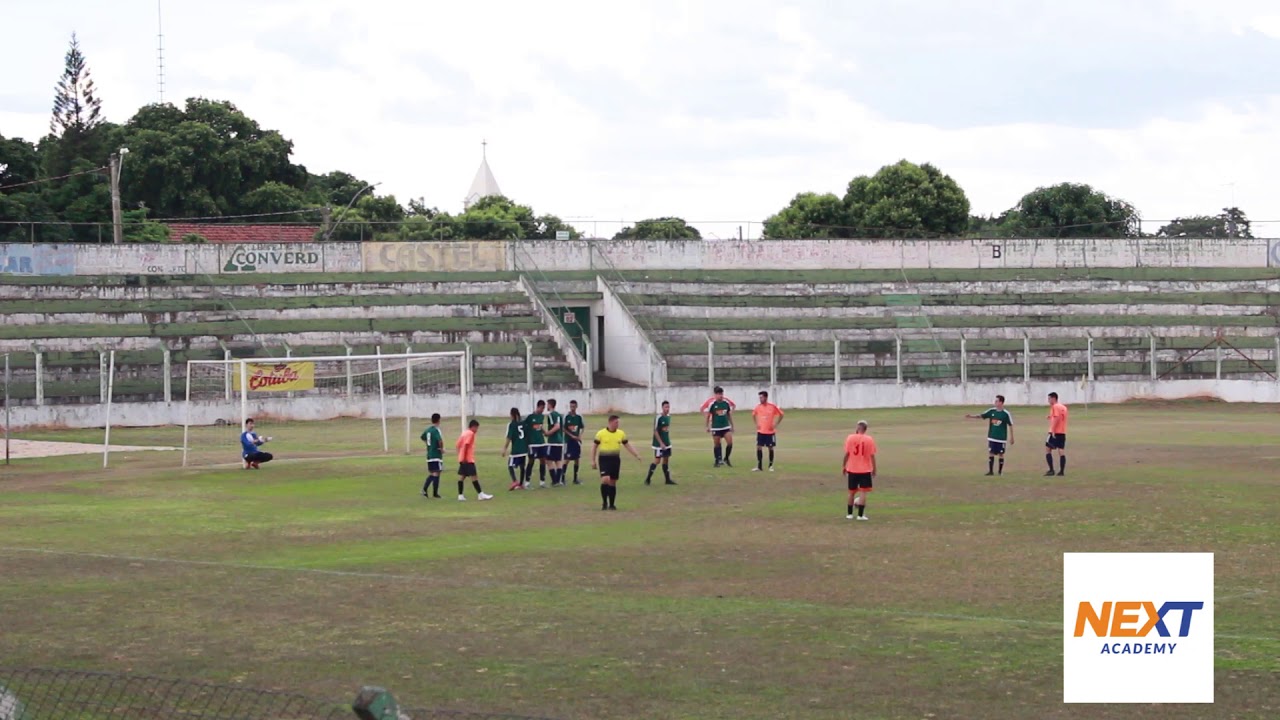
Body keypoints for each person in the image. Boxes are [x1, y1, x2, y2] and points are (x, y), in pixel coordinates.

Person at [592, 414, 642, 511]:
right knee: (605, 479)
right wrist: (593, 460)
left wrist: (636, 455)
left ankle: (612, 504)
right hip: (604, 459)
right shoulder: (601, 433)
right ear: (610, 422)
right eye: (616, 422)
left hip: (615, 459)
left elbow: (627, 445)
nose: (617, 424)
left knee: (613, 482)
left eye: (618, 422)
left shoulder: (621, 433)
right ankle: (604, 502)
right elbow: (594, 447)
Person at [965, 395, 1014, 476]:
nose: (995, 402)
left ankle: (1000, 471)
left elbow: (1010, 425)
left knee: (1001, 454)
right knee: (991, 453)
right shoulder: (991, 411)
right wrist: (971, 416)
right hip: (992, 437)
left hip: (1001, 438)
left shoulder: (1006, 414)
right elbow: (981, 416)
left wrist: (1012, 437)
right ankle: (991, 471)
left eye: (997, 401)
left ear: (1001, 402)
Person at [843, 420, 878, 521]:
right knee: (863, 492)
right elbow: (872, 456)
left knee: (851, 492)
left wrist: (844, 466)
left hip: (852, 469)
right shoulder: (869, 439)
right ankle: (860, 515)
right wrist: (874, 468)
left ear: (857, 428)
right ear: (865, 429)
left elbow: (847, 454)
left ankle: (849, 514)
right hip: (865, 470)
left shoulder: (850, 438)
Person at [456, 419, 493, 501]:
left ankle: (460, 495)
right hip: (468, 459)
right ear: (473, 427)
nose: (476, 430)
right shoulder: (470, 433)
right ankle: (480, 494)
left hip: (462, 459)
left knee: (462, 477)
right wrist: (465, 457)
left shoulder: (464, 433)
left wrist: (460, 456)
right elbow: (466, 445)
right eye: (476, 428)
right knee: (474, 477)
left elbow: (457, 445)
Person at [701, 386, 736, 467]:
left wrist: (732, 425)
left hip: (725, 426)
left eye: (721, 394)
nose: (721, 396)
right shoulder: (712, 404)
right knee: (717, 444)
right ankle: (717, 460)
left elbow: (729, 414)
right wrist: (707, 426)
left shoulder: (726, 403)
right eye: (719, 394)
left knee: (730, 443)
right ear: (715, 395)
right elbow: (708, 416)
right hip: (716, 427)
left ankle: (726, 458)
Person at [751, 390, 784, 472]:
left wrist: (776, 424)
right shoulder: (758, 407)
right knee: (759, 447)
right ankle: (759, 466)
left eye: (761, 397)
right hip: (761, 431)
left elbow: (781, 414)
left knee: (770, 448)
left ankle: (770, 466)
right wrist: (757, 424)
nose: (760, 399)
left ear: (766, 397)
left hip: (770, 432)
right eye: (759, 398)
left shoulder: (772, 407)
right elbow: (753, 414)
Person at [646, 400, 677, 486]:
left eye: (668, 407)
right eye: (666, 407)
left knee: (666, 460)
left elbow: (666, 430)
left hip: (667, 443)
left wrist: (666, 442)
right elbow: (655, 431)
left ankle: (667, 480)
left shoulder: (669, 417)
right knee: (657, 460)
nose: (667, 409)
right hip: (659, 444)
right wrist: (661, 443)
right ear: (662, 408)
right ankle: (648, 479)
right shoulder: (658, 417)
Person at [501, 408, 529, 491]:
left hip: (516, 449)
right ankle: (521, 484)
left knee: (510, 465)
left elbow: (509, 438)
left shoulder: (512, 425)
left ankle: (515, 481)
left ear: (512, 415)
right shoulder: (523, 423)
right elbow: (527, 435)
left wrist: (504, 448)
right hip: (524, 449)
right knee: (522, 466)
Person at [419, 413, 445, 497]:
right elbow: (440, 441)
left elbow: (422, 437)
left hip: (429, 454)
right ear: (439, 420)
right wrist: (441, 449)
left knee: (434, 473)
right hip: (436, 455)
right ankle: (427, 490)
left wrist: (428, 444)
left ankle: (434, 493)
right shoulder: (436, 430)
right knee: (436, 473)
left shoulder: (428, 430)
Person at [524, 399, 548, 488]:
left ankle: (542, 482)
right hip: (532, 443)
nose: (542, 410)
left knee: (543, 460)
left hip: (541, 442)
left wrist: (545, 432)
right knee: (531, 461)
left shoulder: (542, 417)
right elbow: (525, 428)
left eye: (543, 408)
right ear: (538, 407)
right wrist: (526, 442)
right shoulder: (530, 417)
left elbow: (540, 427)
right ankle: (527, 482)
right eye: (541, 408)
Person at [1045, 391, 1069, 477]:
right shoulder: (1063, 407)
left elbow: (1057, 418)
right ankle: (1061, 471)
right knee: (1061, 450)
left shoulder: (1055, 407)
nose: (1048, 400)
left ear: (1053, 398)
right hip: (1062, 431)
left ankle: (1051, 470)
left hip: (1054, 432)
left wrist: (1053, 430)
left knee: (1048, 449)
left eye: (1049, 398)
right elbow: (1061, 417)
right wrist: (1050, 416)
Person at [545, 398, 566, 487]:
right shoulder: (559, 415)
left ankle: (555, 480)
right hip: (560, 441)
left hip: (553, 441)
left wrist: (548, 433)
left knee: (548, 460)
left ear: (550, 405)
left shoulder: (551, 415)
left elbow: (557, 426)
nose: (546, 406)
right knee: (558, 461)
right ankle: (558, 481)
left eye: (547, 404)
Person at [564, 400, 585, 485]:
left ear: (576, 407)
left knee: (577, 459)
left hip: (576, 441)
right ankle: (562, 478)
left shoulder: (579, 417)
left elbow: (582, 427)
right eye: (571, 406)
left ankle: (575, 478)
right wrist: (571, 435)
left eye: (573, 406)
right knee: (567, 459)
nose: (572, 408)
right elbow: (563, 428)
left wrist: (579, 436)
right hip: (568, 441)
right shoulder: (566, 416)